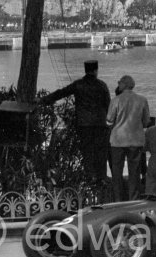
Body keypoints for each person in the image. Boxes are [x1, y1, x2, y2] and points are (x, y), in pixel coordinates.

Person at [39, 60, 111, 188]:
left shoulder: (79, 85)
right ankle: (101, 178)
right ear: (96, 71)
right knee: (101, 151)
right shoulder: (102, 85)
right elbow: (107, 104)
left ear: (85, 70)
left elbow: (61, 93)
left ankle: (90, 178)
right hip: (100, 124)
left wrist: (44, 100)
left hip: (84, 124)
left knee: (87, 151)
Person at [107, 75, 150, 201]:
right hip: (135, 141)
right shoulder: (142, 100)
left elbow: (109, 119)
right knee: (134, 174)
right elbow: (146, 121)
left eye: (119, 83)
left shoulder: (116, 100)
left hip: (118, 141)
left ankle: (118, 200)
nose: (118, 84)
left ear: (124, 85)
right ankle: (134, 200)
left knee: (117, 173)